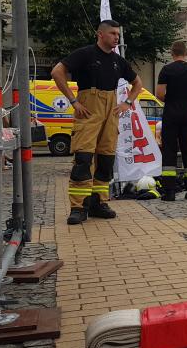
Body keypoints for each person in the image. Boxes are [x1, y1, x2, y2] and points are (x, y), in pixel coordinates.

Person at [51, 19, 143, 225]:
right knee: (83, 158)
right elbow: (57, 72)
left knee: (106, 159)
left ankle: (98, 203)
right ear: (100, 34)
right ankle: (78, 207)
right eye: (112, 34)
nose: (116, 38)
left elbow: (138, 83)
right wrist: (73, 101)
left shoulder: (118, 62)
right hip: (89, 106)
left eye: (118, 34)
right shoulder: (85, 54)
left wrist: (128, 102)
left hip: (110, 110)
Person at [156, 41, 187, 201]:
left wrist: (171, 101)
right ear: (186, 52)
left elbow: (160, 94)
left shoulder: (166, 70)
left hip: (171, 114)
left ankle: (169, 192)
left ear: (172, 53)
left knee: (169, 151)